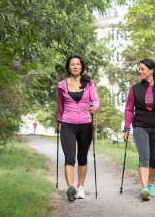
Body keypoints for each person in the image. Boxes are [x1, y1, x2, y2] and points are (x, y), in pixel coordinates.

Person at [123, 58, 155, 201]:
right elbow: (129, 110)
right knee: (144, 155)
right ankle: (144, 187)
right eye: (139, 69)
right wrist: (126, 129)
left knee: (153, 157)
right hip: (140, 125)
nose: (140, 71)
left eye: (142, 69)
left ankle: (151, 184)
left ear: (151, 70)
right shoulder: (135, 88)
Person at [57, 54, 100, 202]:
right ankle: (71, 188)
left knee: (82, 158)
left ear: (82, 66)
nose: (75, 66)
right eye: (72, 64)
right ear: (68, 67)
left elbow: (95, 100)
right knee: (69, 157)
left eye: (77, 64)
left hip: (85, 125)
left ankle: (80, 186)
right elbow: (61, 106)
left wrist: (95, 107)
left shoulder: (89, 83)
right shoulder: (62, 85)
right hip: (67, 124)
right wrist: (59, 121)